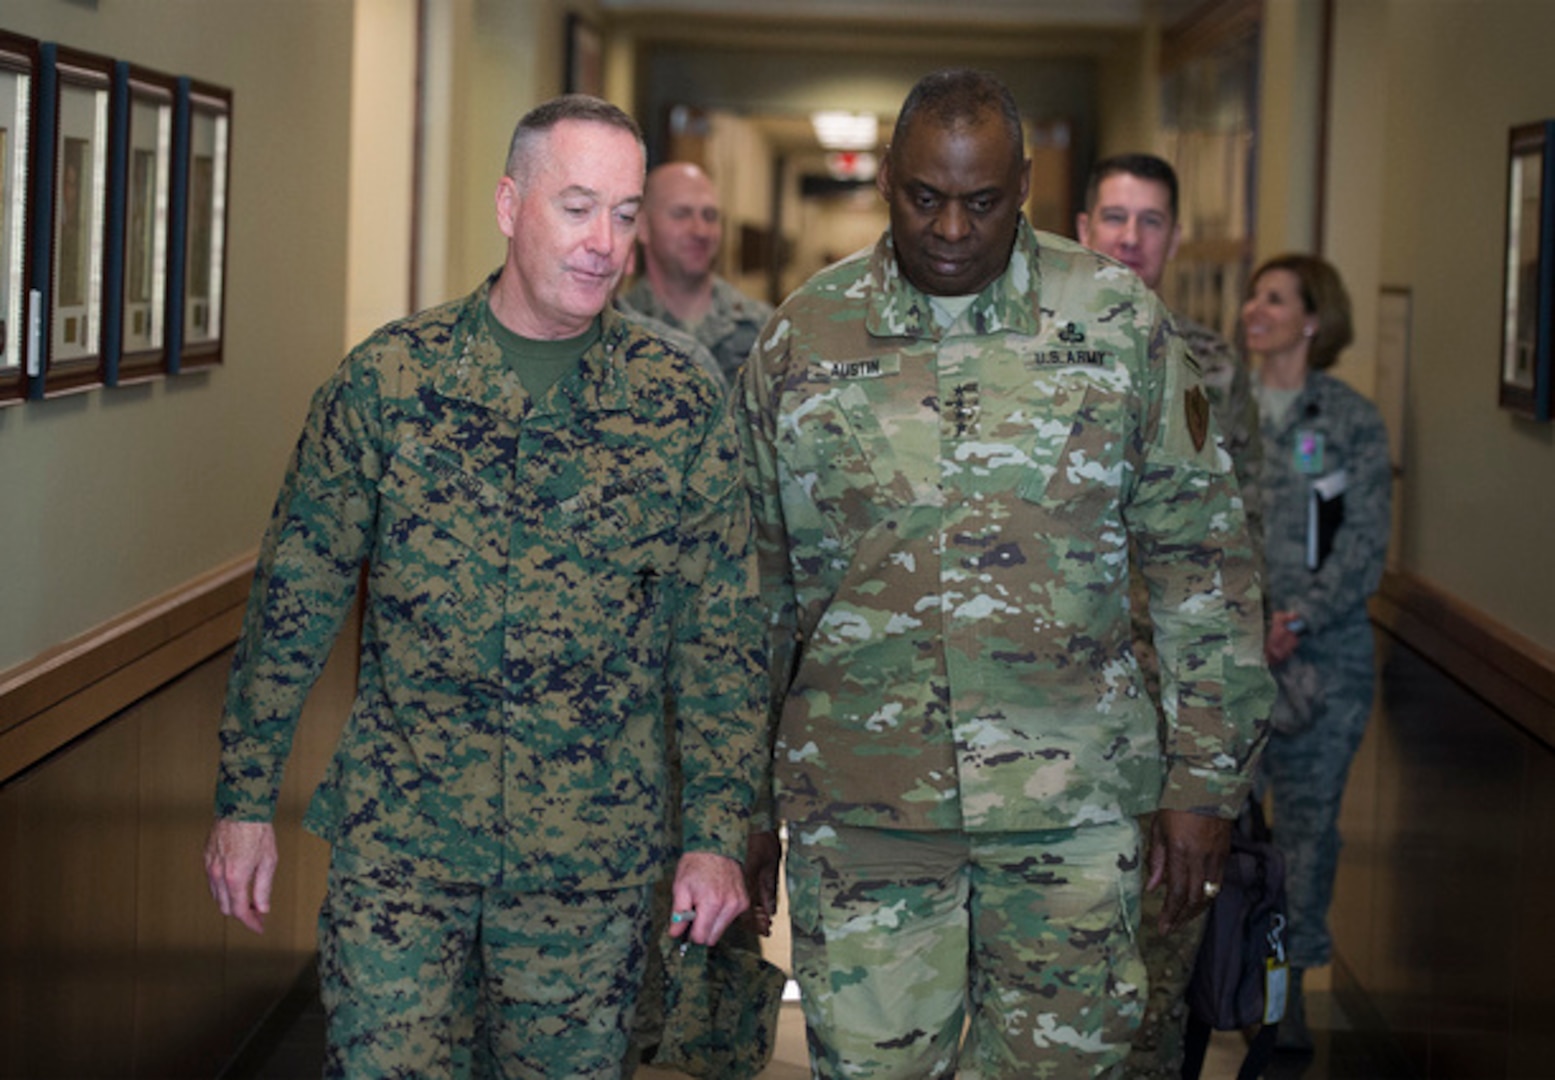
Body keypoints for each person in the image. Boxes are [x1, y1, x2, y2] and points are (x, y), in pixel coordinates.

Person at [202, 94, 764, 1079]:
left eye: (625, 214)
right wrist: (245, 802)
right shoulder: (389, 383)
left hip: (588, 870)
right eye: (577, 207)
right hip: (403, 854)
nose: (604, 243)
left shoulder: (676, 399)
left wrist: (716, 835)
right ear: (511, 205)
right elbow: (295, 598)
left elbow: (718, 636)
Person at [738, 69, 1274, 1078]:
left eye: (980, 201)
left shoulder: (1114, 324)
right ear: (888, 182)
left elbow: (1200, 557)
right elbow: (750, 594)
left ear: (1024, 185)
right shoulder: (804, 340)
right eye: (921, 197)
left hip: (1070, 808)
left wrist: (1206, 779)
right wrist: (734, 808)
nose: (949, 229)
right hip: (864, 811)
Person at [1076, 152, 1265, 1079]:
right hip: (1063, 720)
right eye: (1113, 217)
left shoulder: (1215, 371)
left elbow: (1242, 554)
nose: (1128, 238)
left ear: (1174, 240)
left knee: (1157, 989)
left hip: (1172, 719)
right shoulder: (1037, 354)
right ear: (1081, 229)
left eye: (1150, 222)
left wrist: (1219, 766)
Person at [1243, 253, 1390, 1051]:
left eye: (1271, 299)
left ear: (1310, 318)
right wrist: (1244, 624)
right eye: (1251, 295)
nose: (1251, 309)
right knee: (1222, 834)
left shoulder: (1348, 422)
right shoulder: (1221, 409)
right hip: (1228, 664)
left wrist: (1293, 620)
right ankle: (1215, 985)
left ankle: (1286, 997)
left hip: (1319, 667)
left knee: (1305, 838)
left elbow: (1363, 545)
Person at [618, 161, 773, 383]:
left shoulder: (762, 328)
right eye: (681, 214)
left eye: (710, 216)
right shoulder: (617, 328)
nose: (700, 230)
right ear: (642, 226)